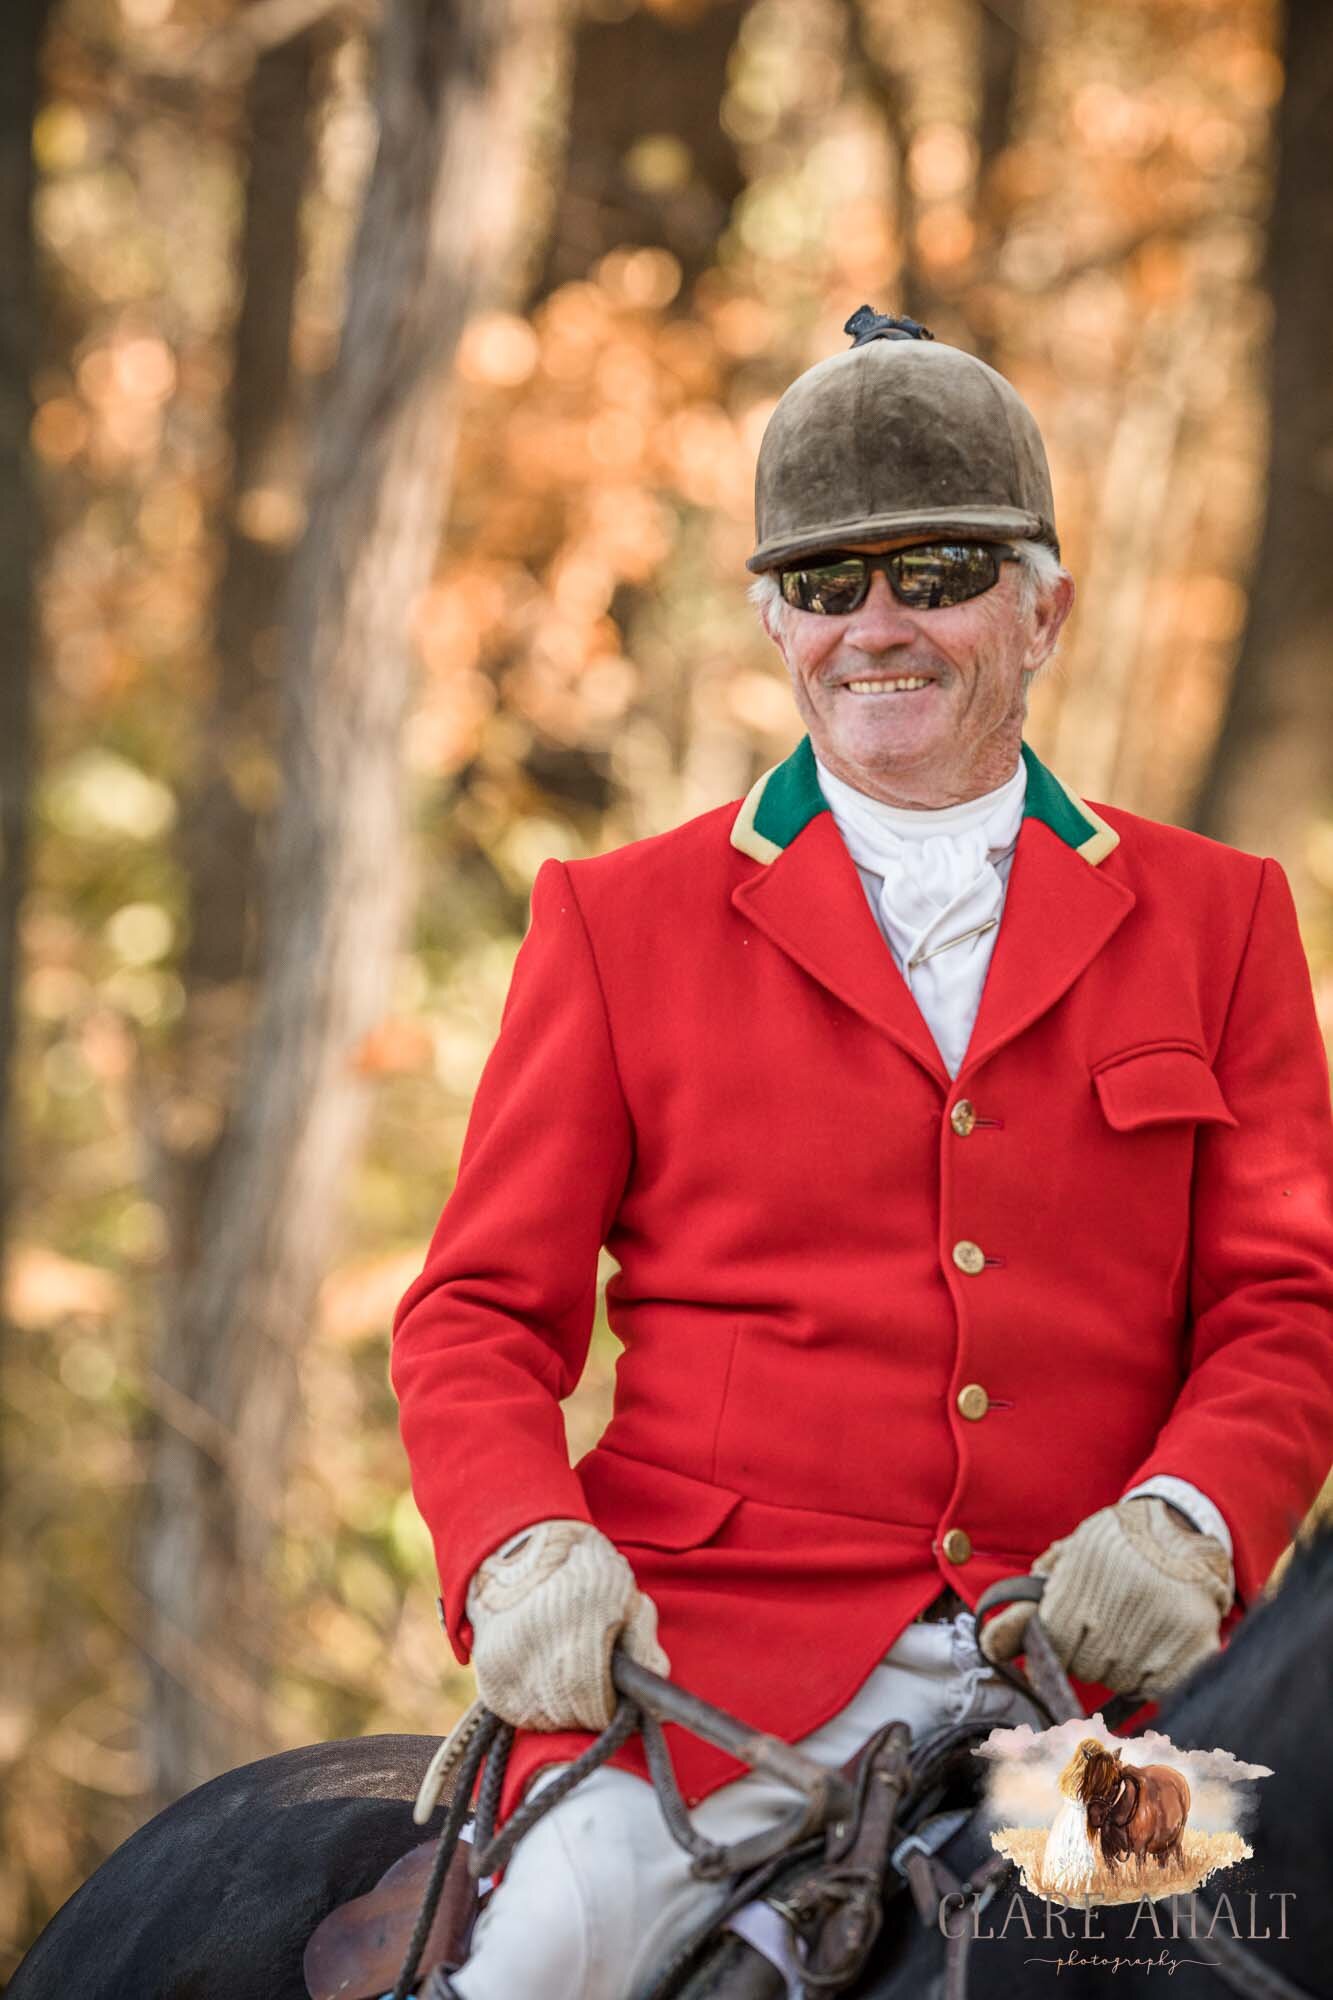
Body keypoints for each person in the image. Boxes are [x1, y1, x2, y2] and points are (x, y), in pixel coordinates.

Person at [390, 309, 1333, 1999]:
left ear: (1043, 606)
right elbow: (472, 1315)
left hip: (1092, 1683)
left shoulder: (1222, 915)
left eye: (940, 570)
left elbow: (1287, 1297)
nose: (877, 627)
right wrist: (521, 1543)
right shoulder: (615, 922)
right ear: (772, 623)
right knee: (544, 1955)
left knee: (1211, 1963)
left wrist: (1190, 1520)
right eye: (827, 586)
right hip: (718, 1669)